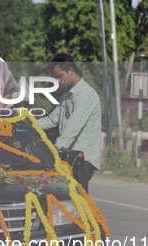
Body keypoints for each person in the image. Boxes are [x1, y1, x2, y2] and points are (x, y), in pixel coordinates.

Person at [38, 53, 102, 192]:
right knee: (67, 197)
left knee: (78, 199)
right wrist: (27, 123)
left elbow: (73, 127)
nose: (57, 81)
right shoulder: (67, 95)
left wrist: (54, 149)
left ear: (71, 71)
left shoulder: (86, 94)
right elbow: (52, 119)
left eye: (59, 76)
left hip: (82, 158)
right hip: (69, 154)